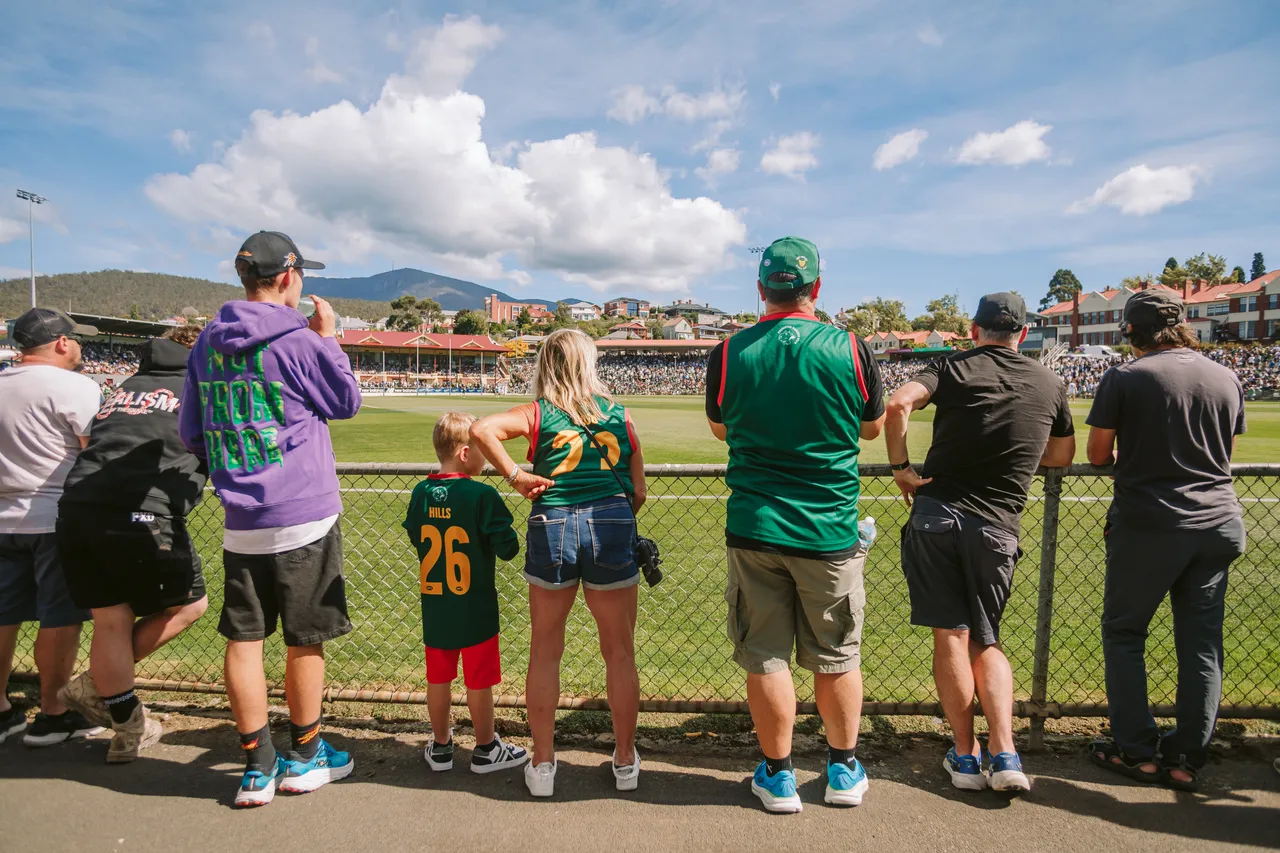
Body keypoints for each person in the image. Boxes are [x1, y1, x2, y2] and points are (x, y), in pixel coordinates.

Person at [179, 231, 362, 807]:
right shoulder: (299, 340)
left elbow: (190, 432)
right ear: (288, 276)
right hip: (302, 514)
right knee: (305, 640)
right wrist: (328, 340)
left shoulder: (206, 343)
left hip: (241, 518)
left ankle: (257, 764)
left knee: (245, 639)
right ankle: (306, 754)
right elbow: (345, 402)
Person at [705, 236, 886, 814]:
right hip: (828, 528)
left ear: (761, 290)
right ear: (817, 289)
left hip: (756, 525)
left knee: (766, 655)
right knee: (837, 655)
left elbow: (719, 428)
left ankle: (779, 776)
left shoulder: (731, 351)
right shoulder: (851, 348)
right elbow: (872, 429)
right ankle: (841, 769)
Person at [884, 292, 1075, 794]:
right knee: (986, 639)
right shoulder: (1050, 382)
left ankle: (965, 756)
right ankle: (1006, 751)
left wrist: (902, 469)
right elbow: (1061, 455)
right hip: (997, 524)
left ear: (974, 331)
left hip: (937, 514)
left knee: (950, 634)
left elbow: (898, 403)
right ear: (1023, 334)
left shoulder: (952, 367)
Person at [469, 328, 645, 799]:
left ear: (546, 364)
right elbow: (639, 493)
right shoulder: (620, 414)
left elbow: (481, 429)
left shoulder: (538, 412)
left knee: (546, 648)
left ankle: (544, 765)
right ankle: (625, 760)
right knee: (620, 651)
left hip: (553, 522)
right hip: (610, 522)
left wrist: (516, 476)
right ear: (588, 365)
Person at [1085, 290, 1246, 792]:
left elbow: (1096, 454)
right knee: (1201, 645)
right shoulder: (1225, 375)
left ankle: (1136, 750)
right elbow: (1226, 452)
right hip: (1218, 521)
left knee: (1125, 633)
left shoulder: (1127, 376)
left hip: (1151, 522)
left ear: (1130, 331)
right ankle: (1186, 757)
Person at [55, 325, 210, 763]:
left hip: (77, 508)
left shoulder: (128, 385)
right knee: (189, 605)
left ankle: (127, 729)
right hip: (140, 510)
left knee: (112, 619)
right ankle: (94, 685)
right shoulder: (198, 386)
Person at [0, 308, 105, 746]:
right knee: (60, 617)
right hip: (54, 518)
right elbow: (94, 455)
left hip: (2, 518)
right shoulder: (76, 386)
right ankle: (54, 711)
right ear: (61, 342)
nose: (79, 346)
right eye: (76, 339)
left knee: (3, 616)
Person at [402, 412, 528, 775]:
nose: (487, 455)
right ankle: (486, 747)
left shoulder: (421, 492)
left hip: (437, 605)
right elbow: (508, 548)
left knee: (438, 678)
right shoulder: (481, 495)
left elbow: (416, 535)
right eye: (481, 449)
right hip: (475, 607)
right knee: (479, 681)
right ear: (463, 453)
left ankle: (441, 746)